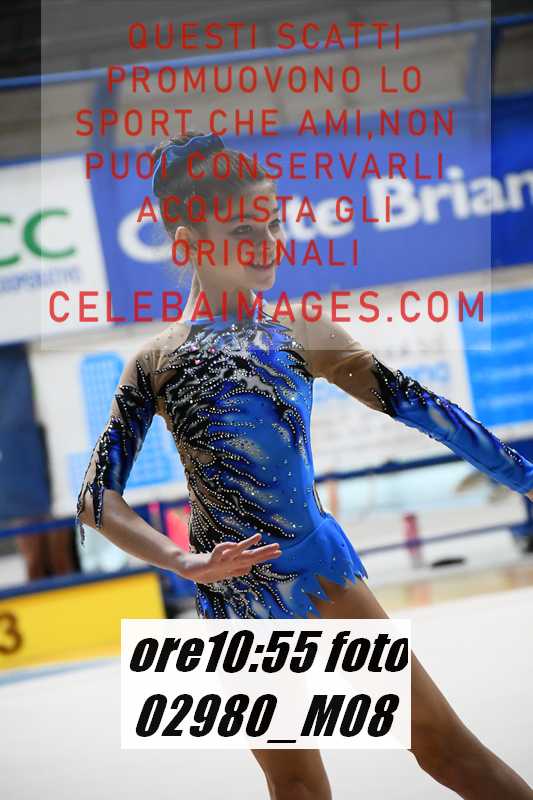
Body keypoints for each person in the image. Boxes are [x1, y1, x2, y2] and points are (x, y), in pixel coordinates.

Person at [76, 131, 533, 800]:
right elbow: (96, 499)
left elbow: (422, 408)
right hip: (233, 597)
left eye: (273, 224)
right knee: (294, 782)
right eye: (242, 230)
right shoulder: (156, 363)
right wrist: (183, 562)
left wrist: (526, 478)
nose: (267, 244)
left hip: (319, 574)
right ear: (188, 244)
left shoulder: (303, 334)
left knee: (446, 750)